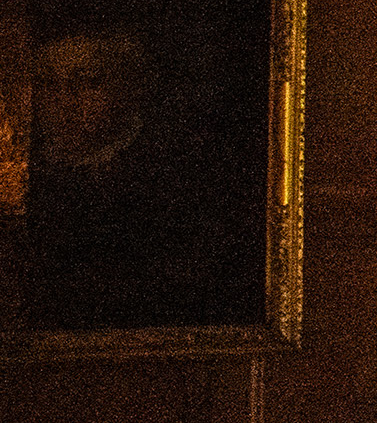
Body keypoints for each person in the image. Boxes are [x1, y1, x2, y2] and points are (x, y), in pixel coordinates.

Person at [10, 25, 260, 333]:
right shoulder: (23, 169)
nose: (64, 100)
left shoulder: (171, 174)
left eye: (87, 81)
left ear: (129, 86)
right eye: (47, 83)